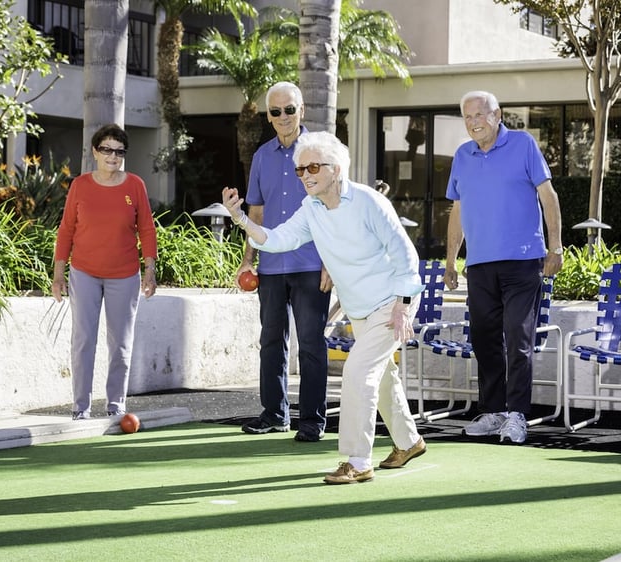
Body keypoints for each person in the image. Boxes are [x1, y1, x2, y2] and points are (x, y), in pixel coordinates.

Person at [222, 131, 426, 485]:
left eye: (313, 166)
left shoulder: (368, 201)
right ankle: (409, 442)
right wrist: (240, 219)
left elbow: (405, 254)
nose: (305, 174)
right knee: (381, 380)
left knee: (358, 374)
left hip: (392, 301)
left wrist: (403, 306)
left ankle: (358, 461)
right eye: (300, 169)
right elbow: (278, 239)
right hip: (360, 307)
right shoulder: (311, 209)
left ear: (336, 168)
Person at [444, 90, 563, 445]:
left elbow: (548, 196)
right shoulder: (462, 156)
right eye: (467, 117)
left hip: (523, 261)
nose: (474, 122)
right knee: (483, 338)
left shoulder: (523, 144)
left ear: (497, 115)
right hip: (480, 264)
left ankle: (517, 414)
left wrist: (554, 246)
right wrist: (451, 260)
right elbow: (457, 211)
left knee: (518, 337)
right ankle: (493, 411)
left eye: (480, 114)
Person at [237, 81, 332, 443]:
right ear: (269, 116)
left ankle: (312, 421)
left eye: (289, 109)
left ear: (302, 110)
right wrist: (249, 259)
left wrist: (331, 262)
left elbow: (334, 209)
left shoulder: (321, 153)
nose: (283, 117)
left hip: (311, 264)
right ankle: (275, 414)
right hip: (271, 266)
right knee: (271, 340)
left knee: (310, 343)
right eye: (275, 111)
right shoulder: (261, 156)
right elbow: (256, 212)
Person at [51, 123, 158, 420]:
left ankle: (115, 405)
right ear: (95, 152)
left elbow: (147, 229)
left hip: (124, 274)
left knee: (121, 343)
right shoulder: (80, 186)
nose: (113, 156)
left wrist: (149, 269)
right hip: (84, 272)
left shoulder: (134, 185)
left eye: (119, 151)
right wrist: (59, 274)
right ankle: (80, 407)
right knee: (84, 339)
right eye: (107, 149)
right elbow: (66, 230)